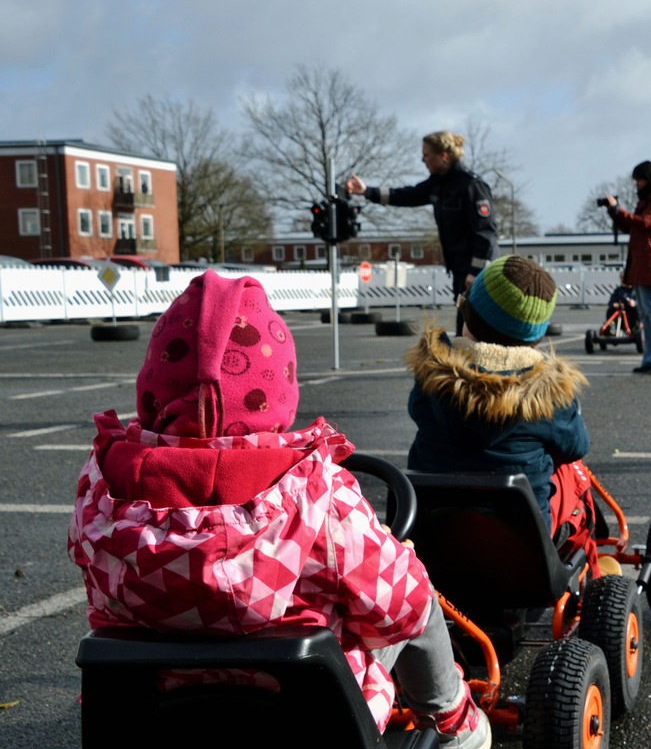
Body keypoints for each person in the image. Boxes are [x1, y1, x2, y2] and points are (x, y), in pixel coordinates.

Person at [67, 270, 490, 749]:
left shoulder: (104, 490)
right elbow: (401, 605)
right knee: (413, 597)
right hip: (309, 718)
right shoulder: (315, 493)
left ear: (154, 385)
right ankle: (457, 723)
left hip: (155, 715)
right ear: (277, 390)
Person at [405, 255, 590, 532]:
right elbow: (577, 446)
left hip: (434, 536)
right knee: (569, 480)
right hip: (524, 546)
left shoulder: (430, 378)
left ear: (468, 314)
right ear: (535, 336)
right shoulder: (550, 395)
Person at [345, 130, 498, 335]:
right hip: (460, 271)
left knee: (475, 328)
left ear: (443, 155)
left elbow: (486, 233)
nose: (422, 160)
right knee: (464, 327)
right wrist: (366, 191)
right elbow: (406, 195)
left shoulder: (471, 185)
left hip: (477, 272)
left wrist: (474, 272)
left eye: (427, 155)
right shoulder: (438, 183)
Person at [602, 161, 651, 374]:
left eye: (639, 180)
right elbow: (633, 224)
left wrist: (618, 210)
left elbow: (644, 222)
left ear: (648, 178)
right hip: (642, 262)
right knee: (646, 313)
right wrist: (614, 212)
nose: (637, 184)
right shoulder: (649, 200)